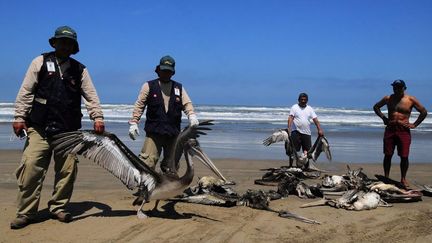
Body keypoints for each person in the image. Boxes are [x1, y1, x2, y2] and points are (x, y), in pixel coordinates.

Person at [11, 26, 105, 229]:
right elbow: (26, 91)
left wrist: (97, 118)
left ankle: (58, 207)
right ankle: (26, 213)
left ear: (74, 47)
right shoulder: (40, 62)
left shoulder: (80, 69)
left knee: (67, 171)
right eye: (61, 41)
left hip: (68, 131)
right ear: (54, 43)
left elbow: (91, 96)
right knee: (30, 169)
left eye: (69, 43)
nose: (65, 45)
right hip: (39, 127)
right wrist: (19, 117)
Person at [128, 55, 199, 174]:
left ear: (172, 72)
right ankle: (146, 188)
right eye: (164, 70)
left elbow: (187, 103)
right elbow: (139, 105)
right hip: (154, 132)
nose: (166, 73)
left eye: (168, 71)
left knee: (171, 166)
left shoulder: (179, 88)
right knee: (147, 163)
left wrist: (191, 115)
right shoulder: (149, 86)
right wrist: (134, 122)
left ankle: (168, 190)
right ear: (158, 70)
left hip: (173, 133)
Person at [373, 79, 427, 189]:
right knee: (388, 154)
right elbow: (376, 107)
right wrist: (384, 118)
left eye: (399, 87)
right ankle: (386, 177)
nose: (396, 89)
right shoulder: (388, 98)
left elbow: (423, 112)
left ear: (404, 88)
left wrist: (414, 124)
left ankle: (403, 178)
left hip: (403, 130)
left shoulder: (410, 99)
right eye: (394, 87)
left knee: (404, 156)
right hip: (390, 129)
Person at [287, 93, 324, 167]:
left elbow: (315, 119)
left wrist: (319, 129)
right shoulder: (294, 107)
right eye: (302, 99)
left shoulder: (309, 108)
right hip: (295, 132)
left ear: (307, 100)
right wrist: (289, 128)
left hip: (306, 133)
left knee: (307, 152)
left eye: (305, 99)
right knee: (293, 150)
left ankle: (306, 167)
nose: (303, 101)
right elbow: (290, 118)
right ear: (298, 100)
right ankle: (290, 166)